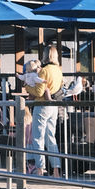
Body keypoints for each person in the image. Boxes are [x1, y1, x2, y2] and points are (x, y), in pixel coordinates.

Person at [27, 45, 63, 177]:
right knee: (50, 138)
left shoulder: (43, 71)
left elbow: (38, 91)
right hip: (53, 106)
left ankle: (40, 169)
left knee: (38, 138)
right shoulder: (58, 70)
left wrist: (27, 88)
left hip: (41, 105)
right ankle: (56, 169)